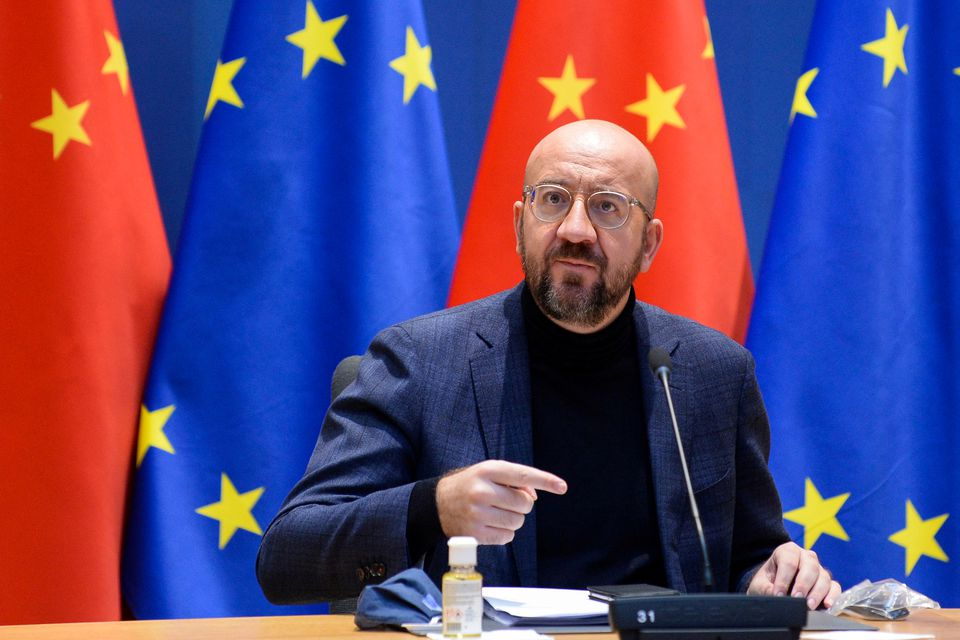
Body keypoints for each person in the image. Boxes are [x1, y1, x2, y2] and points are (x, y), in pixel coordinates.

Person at [256, 120, 840, 610]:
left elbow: (745, 558)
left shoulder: (713, 372)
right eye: (553, 199)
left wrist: (770, 580)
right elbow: (286, 557)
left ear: (650, 244)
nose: (576, 230)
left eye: (608, 208)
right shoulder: (419, 360)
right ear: (519, 224)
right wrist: (432, 506)